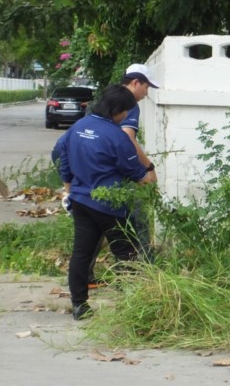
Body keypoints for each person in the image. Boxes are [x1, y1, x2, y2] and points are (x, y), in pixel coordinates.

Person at [58, 84, 157, 320]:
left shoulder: (77, 127)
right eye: (126, 111)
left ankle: (79, 305)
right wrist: (150, 178)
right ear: (118, 110)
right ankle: (133, 304)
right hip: (110, 205)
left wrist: (69, 192)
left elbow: (64, 159)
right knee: (126, 252)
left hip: (81, 201)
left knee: (81, 253)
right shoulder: (116, 136)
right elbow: (135, 172)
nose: (126, 116)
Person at [119, 63, 160, 259]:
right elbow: (127, 138)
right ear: (136, 83)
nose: (146, 93)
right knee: (139, 211)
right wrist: (148, 167)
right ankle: (146, 261)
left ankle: (88, 275)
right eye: (146, 87)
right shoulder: (130, 104)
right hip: (120, 167)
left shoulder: (106, 96)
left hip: (94, 165)